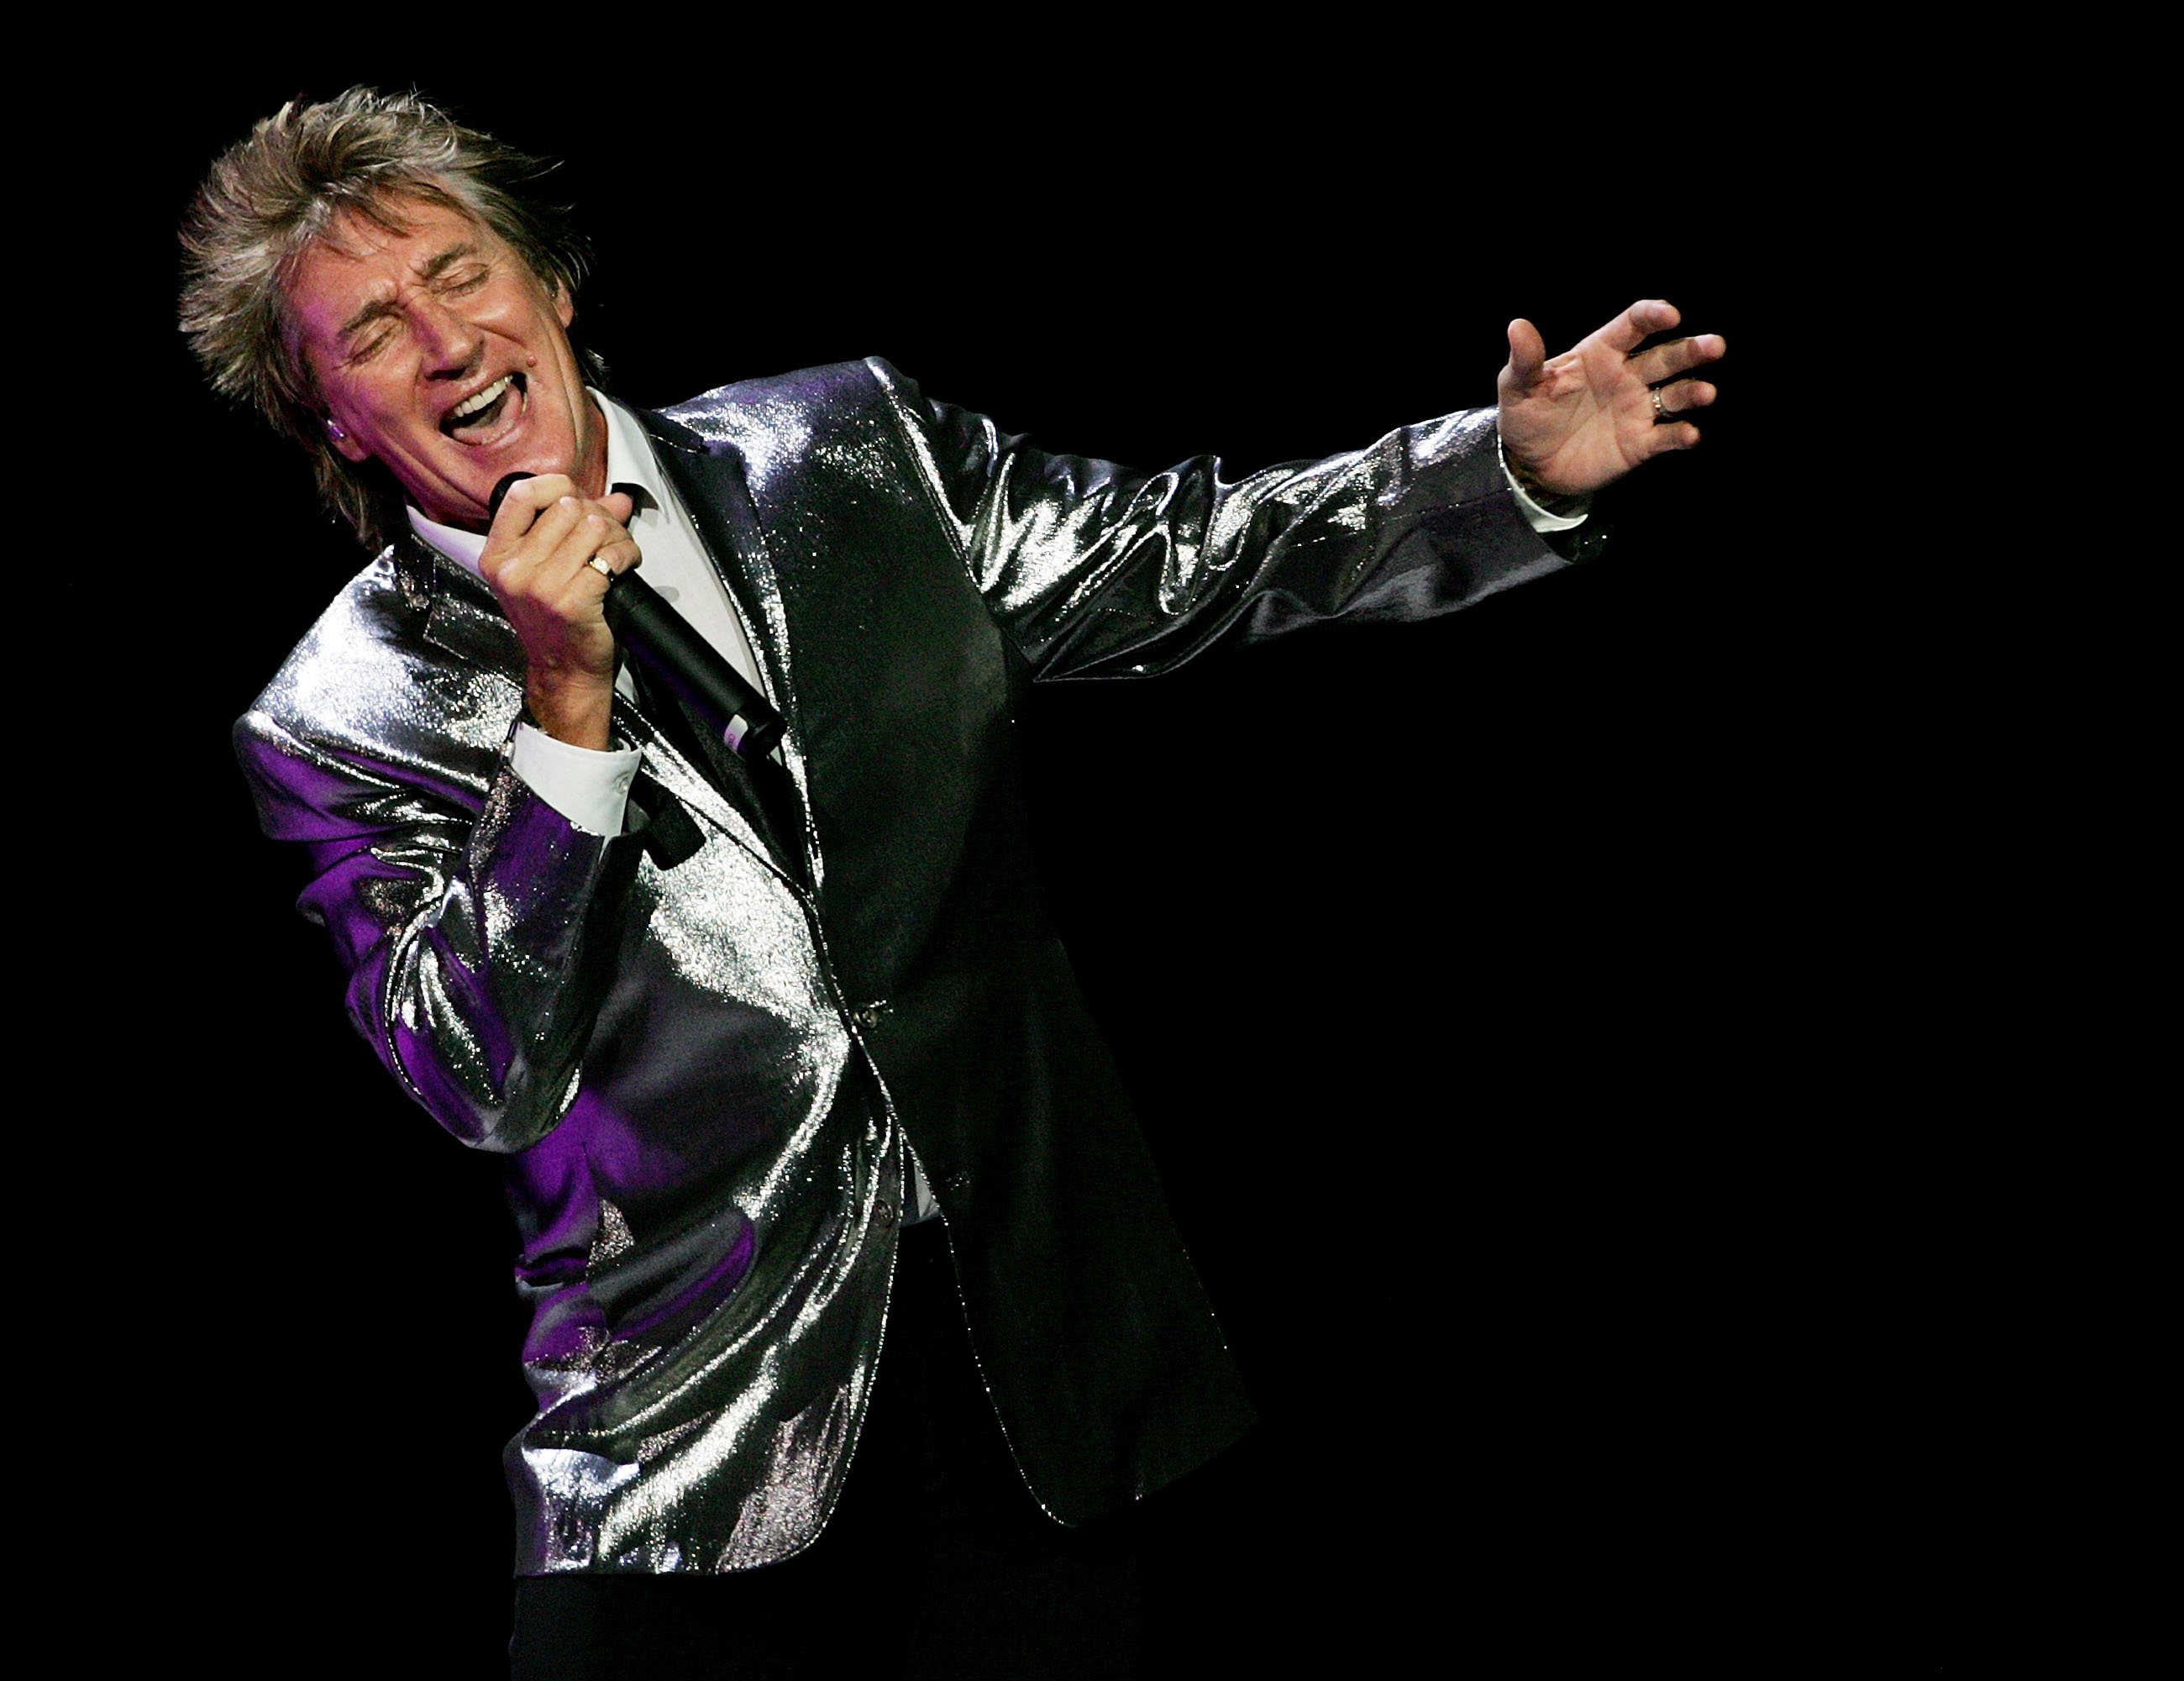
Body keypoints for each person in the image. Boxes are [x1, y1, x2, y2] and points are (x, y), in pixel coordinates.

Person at [186, 87, 1724, 1678]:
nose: (445, 340)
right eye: (370, 328)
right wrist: (564, 714)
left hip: (1039, 1374)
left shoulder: (846, 447)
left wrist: (1494, 470)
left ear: (552, 285)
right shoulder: (334, 722)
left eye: (456, 271)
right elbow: (477, 1075)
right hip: (692, 1452)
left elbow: (1184, 557)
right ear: (328, 423)